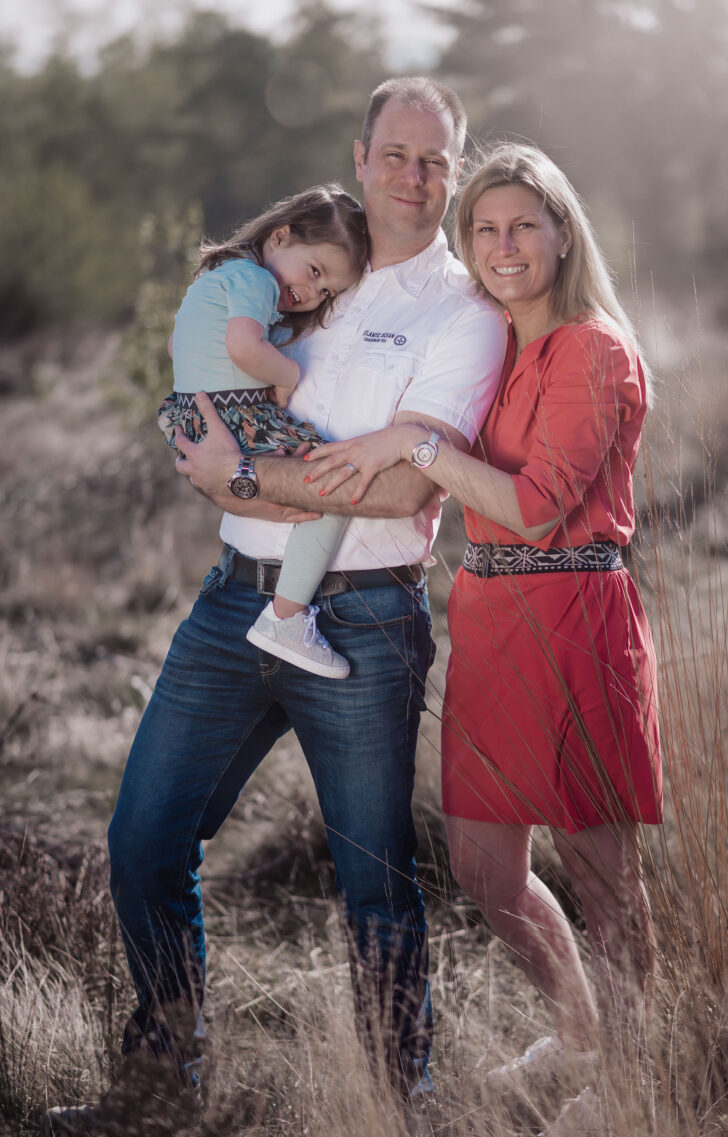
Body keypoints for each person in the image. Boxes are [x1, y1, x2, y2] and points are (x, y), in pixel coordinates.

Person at [46, 77, 508, 1135]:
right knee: (143, 839)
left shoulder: (462, 314)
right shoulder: (304, 276)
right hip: (231, 606)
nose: (414, 178)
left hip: (365, 621)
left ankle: (396, 1105)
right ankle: (161, 1087)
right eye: (396, 155)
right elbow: (216, 400)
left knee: (374, 880)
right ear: (359, 159)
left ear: (454, 171)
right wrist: (217, 461)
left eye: (435, 161)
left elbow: (400, 490)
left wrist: (242, 477)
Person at [303, 142, 663, 1107]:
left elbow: (536, 508)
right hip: (493, 616)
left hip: (576, 616)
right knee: (482, 865)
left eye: (523, 227)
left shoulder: (594, 348)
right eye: (485, 230)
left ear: (561, 234)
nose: (504, 246)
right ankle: (579, 1037)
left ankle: (629, 1081)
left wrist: (416, 445)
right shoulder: (494, 341)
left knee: (601, 872)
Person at [158, 184, 368, 679]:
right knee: (334, 480)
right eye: (314, 271)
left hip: (191, 415)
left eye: (326, 291)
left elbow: (174, 345)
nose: (313, 293)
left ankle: (262, 508)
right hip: (234, 415)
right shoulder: (257, 281)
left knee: (301, 482)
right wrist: (286, 375)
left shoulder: (218, 277)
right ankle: (286, 618)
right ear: (280, 236)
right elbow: (242, 347)